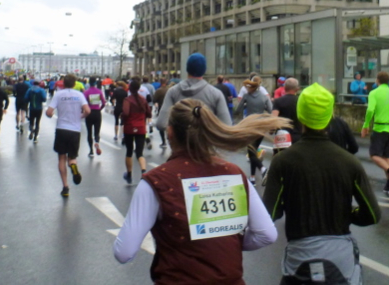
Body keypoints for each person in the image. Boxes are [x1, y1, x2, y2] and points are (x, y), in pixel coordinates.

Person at [114, 99, 289, 283]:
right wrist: (226, 241)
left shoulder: (156, 182)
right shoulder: (234, 173)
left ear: (170, 132)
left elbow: (124, 252)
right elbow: (266, 234)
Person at [263, 83, 381, 285]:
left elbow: (270, 213)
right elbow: (372, 214)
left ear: (300, 116)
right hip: (341, 259)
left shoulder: (283, 161)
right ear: (329, 116)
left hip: (299, 256)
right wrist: (347, 214)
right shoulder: (349, 162)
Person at [156, 53, 231, 130]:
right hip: (206, 137)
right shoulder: (216, 94)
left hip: (179, 137)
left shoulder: (173, 92)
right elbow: (227, 126)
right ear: (204, 70)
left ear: (187, 69)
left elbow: (161, 124)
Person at [45, 74, 90, 197]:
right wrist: (80, 116)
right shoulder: (79, 95)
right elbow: (88, 110)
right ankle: (73, 165)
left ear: (63, 83)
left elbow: (49, 112)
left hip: (61, 129)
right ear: (75, 84)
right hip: (75, 130)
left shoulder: (58, 95)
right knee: (72, 157)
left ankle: (65, 187)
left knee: (61, 158)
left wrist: (50, 115)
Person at [234, 77, 272, 185]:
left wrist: (244, 108)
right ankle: (252, 177)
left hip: (250, 126)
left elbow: (238, 110)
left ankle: (262, 169)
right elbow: (270, 109)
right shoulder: (264, 97)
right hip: (261, 127)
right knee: (253, 151)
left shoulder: (247, 96)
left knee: (251, 151)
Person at [121, 79, 151, 184]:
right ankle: (143, 172)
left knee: (129, 152)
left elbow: (125, 113)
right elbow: (149, 113)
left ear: (130, 88)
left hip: (129, 128)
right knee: (139, 153)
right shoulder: (143, 100)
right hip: (141, 128)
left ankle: (129, 175)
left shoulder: (127, 100)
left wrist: (122, 117)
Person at [271, 77, 302, 144]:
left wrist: (271, 131)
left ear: (284, 88)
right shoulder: (300, 101)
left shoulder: (277, 101)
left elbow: (273, 119)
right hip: (297, 136)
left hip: (282, 137)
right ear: (297, 89)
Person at [83, 76, 106, 157]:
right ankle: (96, 141)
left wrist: (84, 111)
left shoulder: (86, 92)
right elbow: (104, 103)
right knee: (97, 131)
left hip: (89, 113)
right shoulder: (99, 91)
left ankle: (91, 151)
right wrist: (100, 109)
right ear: (96, 83)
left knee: (89, 132)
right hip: (97, 113)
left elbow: (83, 103)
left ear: (89, 83)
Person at [152, 78, 169, 148]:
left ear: (160, 82)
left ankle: (163, 141)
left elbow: (154, 99)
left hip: (161, 109)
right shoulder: (170, 90)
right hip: (170, 109)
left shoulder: (159, 91)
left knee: (161, 125)